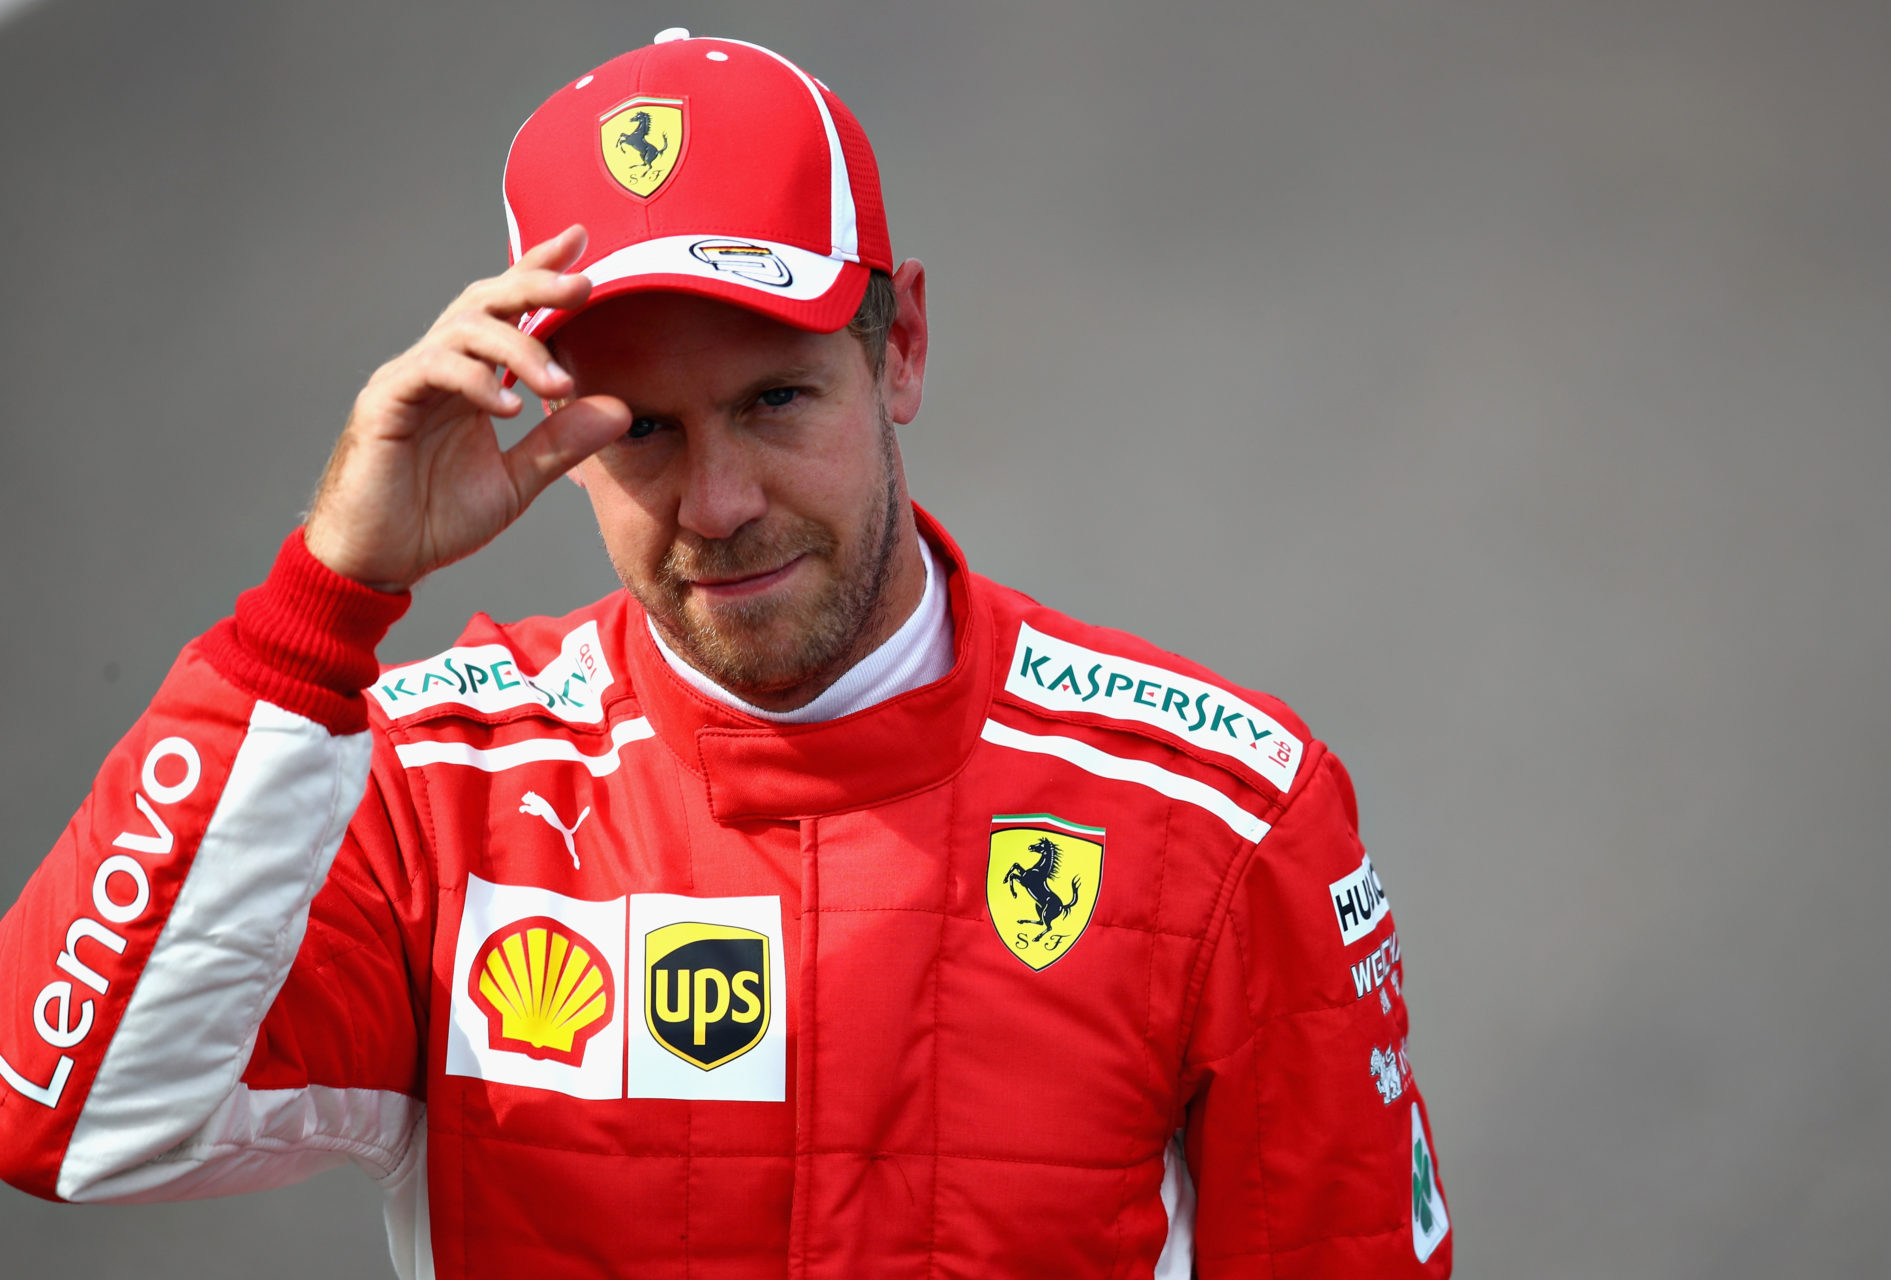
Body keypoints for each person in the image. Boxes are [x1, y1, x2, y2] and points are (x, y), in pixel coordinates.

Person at [0, 29, 1450, 1279]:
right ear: (538, 414)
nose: (719, 504)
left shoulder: (1228, 812)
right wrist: (324, 601)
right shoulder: (428, 788)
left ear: (903, 351)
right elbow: (64, 1121)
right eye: (640, 428)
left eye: (773, 399)